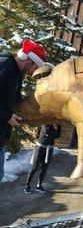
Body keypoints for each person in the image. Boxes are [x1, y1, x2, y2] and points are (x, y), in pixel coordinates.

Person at [0, 39, 46, 183]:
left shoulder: (16, 74)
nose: (34, 72)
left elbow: (13, 102)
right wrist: (7, 116)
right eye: (35, 67)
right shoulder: (4, 66)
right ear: (29, 61)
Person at [24, 124, 62, 194]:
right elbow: (47, 132)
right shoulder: (46, 122)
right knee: (35, 166)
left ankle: (39, 186)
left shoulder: (58, 125)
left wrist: (54, 131)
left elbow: (58, 136)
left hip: (49, 148)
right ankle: (27, 185)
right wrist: (55, 131)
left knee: (44, 168)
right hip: (40, 147)